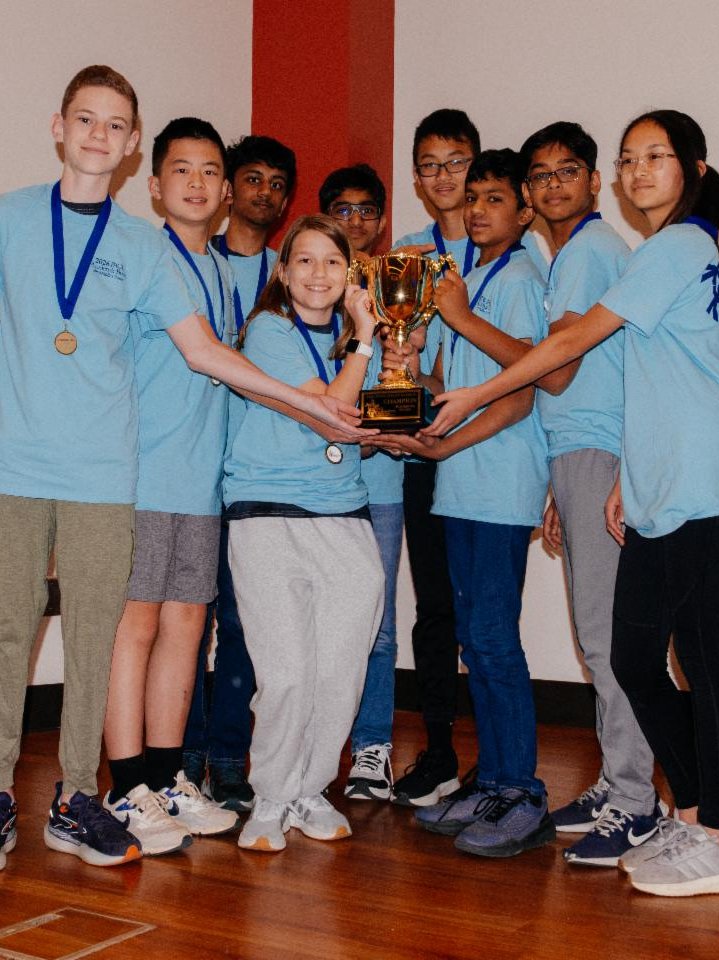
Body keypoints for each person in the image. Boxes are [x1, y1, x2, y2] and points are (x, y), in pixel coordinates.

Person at [0, 66, 364, 870]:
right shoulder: (68, 233)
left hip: (156, 479)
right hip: (77, 472)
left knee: (147, 636)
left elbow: (221, 361)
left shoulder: (185, 262)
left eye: (210, 172)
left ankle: (124, 785)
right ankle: (67, 788)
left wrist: (318, 402)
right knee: (65, 630)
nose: (197, 185)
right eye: (85, 120)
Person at [427, 113, 719, 892]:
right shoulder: (674, 253)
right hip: (669, 476)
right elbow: (642, 379)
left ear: (695, 170)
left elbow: (569, 352)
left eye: (657, 157)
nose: (639, 170)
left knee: (672, 658)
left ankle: (710, 830)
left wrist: (475, 389)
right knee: (657, 655)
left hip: (698, 476)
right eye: (630, 158)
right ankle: (691, 816)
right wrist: (625, 477)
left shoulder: (674, 247)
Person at [442, 120, 660, 867]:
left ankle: (635, 800)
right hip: (578, 452)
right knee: (595, 633)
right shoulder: (573, 254)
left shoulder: (586, 252)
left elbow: (557, 373)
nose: (554, 184)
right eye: (542, 174)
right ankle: (615, 783)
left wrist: (460, 318)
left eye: (568, 171)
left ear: (594, 182)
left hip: (595, 449)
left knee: (604, 637)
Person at [372, 149, 554, 858]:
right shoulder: (469, 280)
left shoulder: (521, 277)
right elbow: (448, 383)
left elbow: (524, 383)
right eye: (472, 197)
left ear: (524, 211)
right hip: (460, 485)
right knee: (475, 642)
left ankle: (524, 792)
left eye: (494, 198)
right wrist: (406, 365)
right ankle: (494, 780)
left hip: (500, 485)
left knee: (495, 642)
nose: (477, 209)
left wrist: (456, 316)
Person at [100, 118, 246, 854]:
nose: (196, 182)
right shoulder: (142, 259)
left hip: (201, 483)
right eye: (181, 169)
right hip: (143, 476)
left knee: (188, 628)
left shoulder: (222, 269)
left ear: (226, 192)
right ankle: (124, 785)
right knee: (136, 627)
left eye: (210, 170)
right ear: (154, 185)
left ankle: (165, 778)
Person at [223, 215, 384, 852]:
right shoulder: (269, 330)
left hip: (344, 517)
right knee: (286, 672)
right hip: (267, 516)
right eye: (306, 261)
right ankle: (269, 795)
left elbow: (370, 426)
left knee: (341, 670)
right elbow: (333, 415)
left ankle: (310, 789)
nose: (319, 274)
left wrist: (392, 366)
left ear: (350, 274)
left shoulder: (356, 345)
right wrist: (366, 340)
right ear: (284, 272)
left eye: (333, 262)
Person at [183, 134, 296, 812]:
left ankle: (228, 758)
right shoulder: (195, 264)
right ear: (228, 189)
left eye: (277, 184)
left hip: (259, 480)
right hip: (195, 470)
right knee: (188, 622)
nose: (264, 192)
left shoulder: (295, 274)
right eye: (252, 178)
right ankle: (180, 755)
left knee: (245, 625)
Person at [388, 109, 483, 806]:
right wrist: (397, 426)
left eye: (456, 162)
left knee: (486, 615)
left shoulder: (506, 246)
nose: (444, 176)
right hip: (425, 452)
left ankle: (501, 760)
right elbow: (393, 366)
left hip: (491, 453)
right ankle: (441, 749)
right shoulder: (406, 255)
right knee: (433, 608)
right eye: (430, 165)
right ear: (418, 178)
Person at [316, 163, 402, 801]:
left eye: (366, 209)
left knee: (378, 620)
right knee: (312, 619)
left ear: (381, 218)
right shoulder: (307, 283)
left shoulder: (398, 285)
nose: (355, 221)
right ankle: (315, 745)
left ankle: (373, 748)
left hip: (381, 480)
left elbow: (409, 381)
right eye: (341, 210)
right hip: (314, 483)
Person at [319, 162, 387, 261]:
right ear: (324, 222)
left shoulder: (389, 270)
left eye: (367, 210)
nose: (356, 222)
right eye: (343, 211)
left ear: (381, 223)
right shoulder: (310, 270)